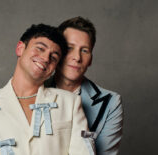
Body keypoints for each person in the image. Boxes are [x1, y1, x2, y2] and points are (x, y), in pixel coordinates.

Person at [0, 24, 95, 155]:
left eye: (53, 57)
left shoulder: (70, 103)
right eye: (40, 48)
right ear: (20, 48)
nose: (46, 58)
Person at [45, 17, 123, 155]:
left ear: (91, 59)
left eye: (85, 50)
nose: (77, 57)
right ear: (57, 52)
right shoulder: (35, 89)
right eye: (69, 48)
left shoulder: (110, 103)